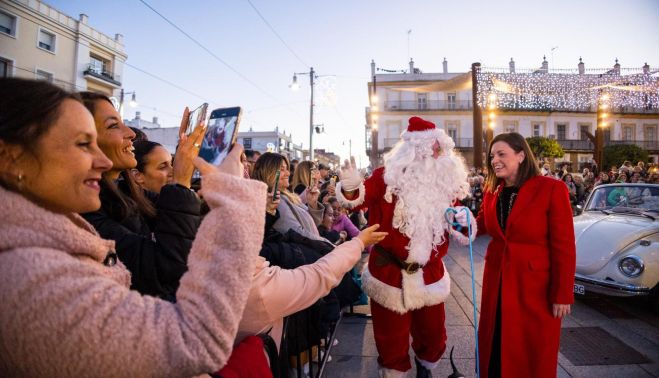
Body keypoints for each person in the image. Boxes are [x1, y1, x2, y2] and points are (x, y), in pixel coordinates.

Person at [0, 78, 266, 376]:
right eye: (83, 143)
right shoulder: (32, 282)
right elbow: (195, 340)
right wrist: (233, 196)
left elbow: (174, 219)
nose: (101, 160)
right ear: (10, 157)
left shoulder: (62, 227)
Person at [337, 116, 474, 377]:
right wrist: (351, 188)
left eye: (442, 148)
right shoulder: (386, 178)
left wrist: (463, 221)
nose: (441, 153)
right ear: (417, 150)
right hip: (389, 273)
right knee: (391, 340)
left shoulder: (444, 184)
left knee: (434, 335)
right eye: (436, 148)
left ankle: (426, 368)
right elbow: (359, 199)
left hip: (430, 274)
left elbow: (455, 221)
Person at [79, 92, 203, 301]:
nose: (130, 133)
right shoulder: (85, 211)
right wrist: (181, 181)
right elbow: (165, 269)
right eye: (113, 126)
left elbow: (186, 227)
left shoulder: (126, 193)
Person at [475, 132, 575, 378]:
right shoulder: (491, 191)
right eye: (491, 156)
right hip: (496, 284)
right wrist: (458, 219)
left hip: (534, 290)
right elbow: (480, 225)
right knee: (495, 344)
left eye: (501, 154)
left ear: (521, 155)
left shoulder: (552, 189)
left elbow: (564, 245)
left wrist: (562, 294)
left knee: (532, 351)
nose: (494, 160)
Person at [253, 153, 326, 242]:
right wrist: (329, 245)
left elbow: (311, 224)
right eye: (282, 169)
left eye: (287, 169)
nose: (288, 173)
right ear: (268, 172)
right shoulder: (275, 201)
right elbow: (298, 233)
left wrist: (312, 203)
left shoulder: (289, 196)